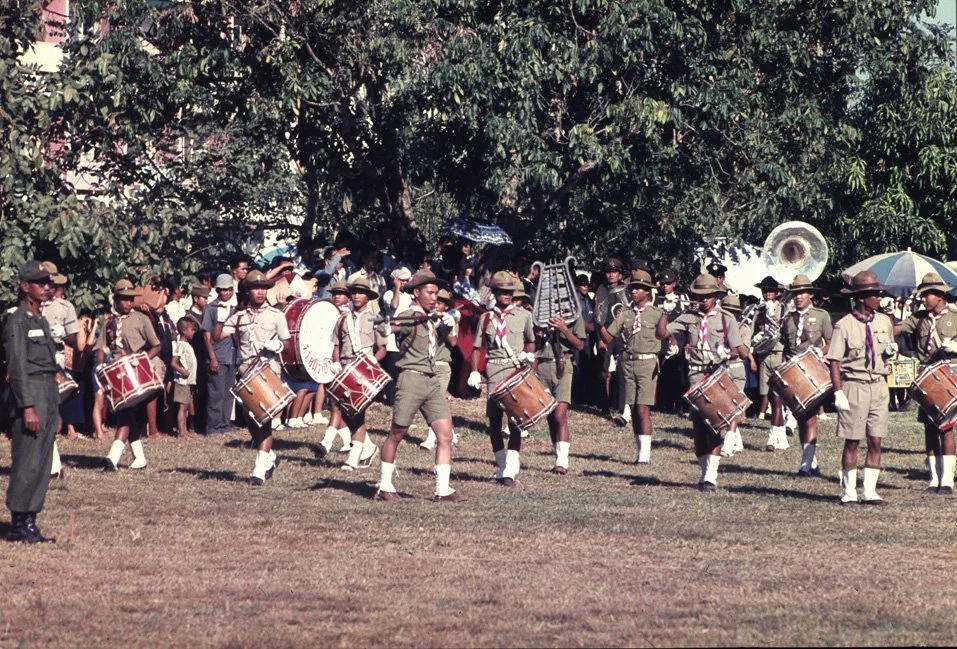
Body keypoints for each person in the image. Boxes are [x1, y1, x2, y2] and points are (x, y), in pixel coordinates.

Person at [375, 270, 466, 502]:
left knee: (444, 435)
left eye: (436, 293)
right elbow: (392, 326)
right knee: (398, 432)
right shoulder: (410, 315)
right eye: (430, 293)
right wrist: (386, 328)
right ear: (417, 293)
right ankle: (384, 485)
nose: (435, 298)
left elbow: (452, 343)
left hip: (432, 380)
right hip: (411, 378)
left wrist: (448, 324)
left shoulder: (435, 316)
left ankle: (442, 489)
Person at [668, 274, 753, 491]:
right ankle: (704, 470)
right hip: (695, 374)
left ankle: (711, 476)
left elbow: (738, 350)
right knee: (698, 426)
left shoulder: (726, 318)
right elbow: (663, 332)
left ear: (716, 296)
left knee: (714, 424)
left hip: (717, 373)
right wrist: (661, 312)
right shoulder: (688, 317)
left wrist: (727, 352)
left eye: (708, 295)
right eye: (699, 295)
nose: (703, 299)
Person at [213, 270, 290, 485]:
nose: (260, 292)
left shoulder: (276, 315)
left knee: (263, 419)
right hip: (246, 371)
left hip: (268, 370)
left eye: (263, 288)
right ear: (247, 291)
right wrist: (221, 318)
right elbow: (217, 338)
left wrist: (278, 346)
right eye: (256, 288)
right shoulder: (239, 316)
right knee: (249, 420)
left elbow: (288, 343)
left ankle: (258, 469)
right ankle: (270, 457)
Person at [828, 271, 895, 505]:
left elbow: (886, 351)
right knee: (853, 440)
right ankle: (849, 492)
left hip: (878, 385)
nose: (879, 298)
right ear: (861, 298)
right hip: (854, 386)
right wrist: (838, 392)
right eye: (874, 295)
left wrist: (889, 353)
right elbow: (835, 361)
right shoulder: (844, 325)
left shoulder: (884, 321)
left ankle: (870, 491)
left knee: (876, 440)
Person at [4, 261, 59, 543]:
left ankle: (31, 519)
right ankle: (18, 522)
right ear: (25, 287)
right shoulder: (17, 320)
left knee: (43, 459)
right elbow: (17, 367)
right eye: (40, 283)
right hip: (31, 393)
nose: (47, 287)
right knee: (27, 459)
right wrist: (27, 406)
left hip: (48, 391)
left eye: (48, 283)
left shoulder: (40, 319)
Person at [468, 271, 536, 485]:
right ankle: (501, 464)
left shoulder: (523, 316)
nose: (508, 296)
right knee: (495, 420)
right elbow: (477, 347)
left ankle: (511, 469)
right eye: (503, 292)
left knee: (516, 420)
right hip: (494, 370)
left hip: (515, 370)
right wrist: (474, 371)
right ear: (495, 292)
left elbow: (531, 341)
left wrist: (529, 357)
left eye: (510, 292)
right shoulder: (486, 318)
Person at [599, 270, 668, 464]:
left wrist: (665, 321)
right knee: (632, 407)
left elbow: (664, 335)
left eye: (638, 288)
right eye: (632, 288)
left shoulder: (657, 314)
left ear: (647, 291)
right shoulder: (626, 314)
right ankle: (639, 451)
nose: (634, 292)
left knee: (642, 408)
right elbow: (608, 337)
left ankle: (645, 456)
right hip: (627, 362)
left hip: (647, 362)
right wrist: (600, 322)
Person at [897, 272, 957, 494]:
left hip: (950, 377)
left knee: (947, 428)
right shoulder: (918, 318)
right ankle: (934, 478)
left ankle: (948, 479)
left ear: (940, 295)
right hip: (927, 378)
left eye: (927, 295)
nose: (923, 299)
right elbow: (897, 329)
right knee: (930, 428)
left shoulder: (955, 317)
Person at [97, 279, 161, 471]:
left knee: (125, 413)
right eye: (124, 299)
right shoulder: (109, 322)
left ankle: (112, 458)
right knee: (127, 414)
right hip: (116, 373)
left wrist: (142, 361)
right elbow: (101, 346)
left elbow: (157, 346)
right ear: (116, 300)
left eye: (130, 299)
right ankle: (140, 458)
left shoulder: (141, 319)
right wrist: (99, 367)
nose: (128, 303)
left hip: (136, 373)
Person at [330, 277, 387, 471]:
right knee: (347, 412)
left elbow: (383, 348)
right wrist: (336, 362)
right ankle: (368, 448)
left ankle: (354, 456)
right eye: (353, 292)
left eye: (361, 293)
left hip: (364, 368)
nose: (356, 296)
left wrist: (374, 360)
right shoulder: (342, 319)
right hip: (345, 367)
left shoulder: (374, 318)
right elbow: (337, 344)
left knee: (357, 411)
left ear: (367, 296)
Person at [779, 274, 833, 477]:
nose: (798, 297)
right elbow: (786, 347)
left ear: (810, 294)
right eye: (795, 293)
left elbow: (831, 341)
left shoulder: (821, 316)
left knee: (809, 417)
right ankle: (811, 461)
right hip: (793, 372)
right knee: (801, 418)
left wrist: (821, 352)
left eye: (802, 292)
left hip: (812, 370)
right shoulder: (788, 319)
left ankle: (805, 464)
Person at [535, 292, 586, 473]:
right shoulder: (539, 317)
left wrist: (564, 329)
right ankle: (557, 456)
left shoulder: (574, 316)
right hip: (543, 365)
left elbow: (579, 345)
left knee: (559, 415)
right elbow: (533, 345)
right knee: (550, 416)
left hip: (563, 365)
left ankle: (563, 461)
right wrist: (539, 335)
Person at [317, 281, 356, 456]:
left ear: (348, 297)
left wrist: (338, 361)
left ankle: (326, 442)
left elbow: (340, 344)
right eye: (335, 293)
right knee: (337, 405)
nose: (337, 296)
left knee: (338, 405)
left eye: (341, 293)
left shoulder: (348, 316)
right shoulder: (328, 314)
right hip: (331, 364)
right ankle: (350, 442)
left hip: (348, 365)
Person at [419, 288, 460, 450]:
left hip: (442, 366)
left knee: (436, 401)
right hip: (426, 365)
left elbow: (454, 343)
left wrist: (445, 326)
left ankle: (431, 439)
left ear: (446, 306)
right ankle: (451, 433)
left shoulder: (449, 319)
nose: (436, 305)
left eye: (441, 303)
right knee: (429, 402)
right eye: (435, 302)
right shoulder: (425, 318)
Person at [753, 276, 789, 451]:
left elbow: (786, 330)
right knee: (768, 395)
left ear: (777, 293)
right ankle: (781, 438)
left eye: (771, 291)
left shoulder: (783, 309)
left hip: (779, 353)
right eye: (765, 290)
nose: (767, 293)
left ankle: (772, 439)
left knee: (778, 398)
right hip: (764, 355)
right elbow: (754, 330)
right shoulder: (759, 309)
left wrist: (772, 316)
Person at [718, 295, 756, 457]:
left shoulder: (744, 328)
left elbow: (744, 352)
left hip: (737, 369)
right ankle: (737, 442)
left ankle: (728, 444)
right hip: (720, 368)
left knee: (734, 408)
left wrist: (733, 338)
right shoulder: (716, 326)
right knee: (724, 406)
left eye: (732, 312)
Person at [593, 258, 628, 424]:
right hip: (606, 334)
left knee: (622, 371)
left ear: (620, 274)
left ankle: (621, 406)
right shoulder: (601, 290)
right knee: (603, 372)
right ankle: (604, 405)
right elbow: (597, 318)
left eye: (614, 272)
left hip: (622, 335)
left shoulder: (626, 290)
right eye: (608, 272)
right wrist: (600, 339)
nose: (611, 275)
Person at [202, 274, 238, 435]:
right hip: (218, 356)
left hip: (232, 355)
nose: (226, 293)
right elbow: (206, 335)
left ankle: (224, 424)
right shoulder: (211, 309)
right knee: (216, 393)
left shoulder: (235, 308)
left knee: (228, 393)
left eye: (229, 290)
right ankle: (213, 426)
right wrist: (212, 358)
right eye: (223, 290)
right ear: (217, 290)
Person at [655, 268, 691, 414]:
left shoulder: (682, 299)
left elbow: (688, 321)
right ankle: (664, 404)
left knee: (680, 374)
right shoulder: (657, 299)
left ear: (674, 284)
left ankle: (681, 405)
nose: (665, 286)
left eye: (669, 283)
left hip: (680, 340)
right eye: (663, 283)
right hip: (663, 339)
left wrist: (688, 341)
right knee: (663, 373)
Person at [171, 318, 199, 438]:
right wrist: (182, 371)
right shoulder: (180, 346)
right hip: (182, 381)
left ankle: (185, 430)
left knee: (187, 406)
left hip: (188, 382)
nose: (193, 332)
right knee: (182, 407)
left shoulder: (187, 345)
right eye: (192, 330)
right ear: (183, 330)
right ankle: (182, 432)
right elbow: (173, 362)